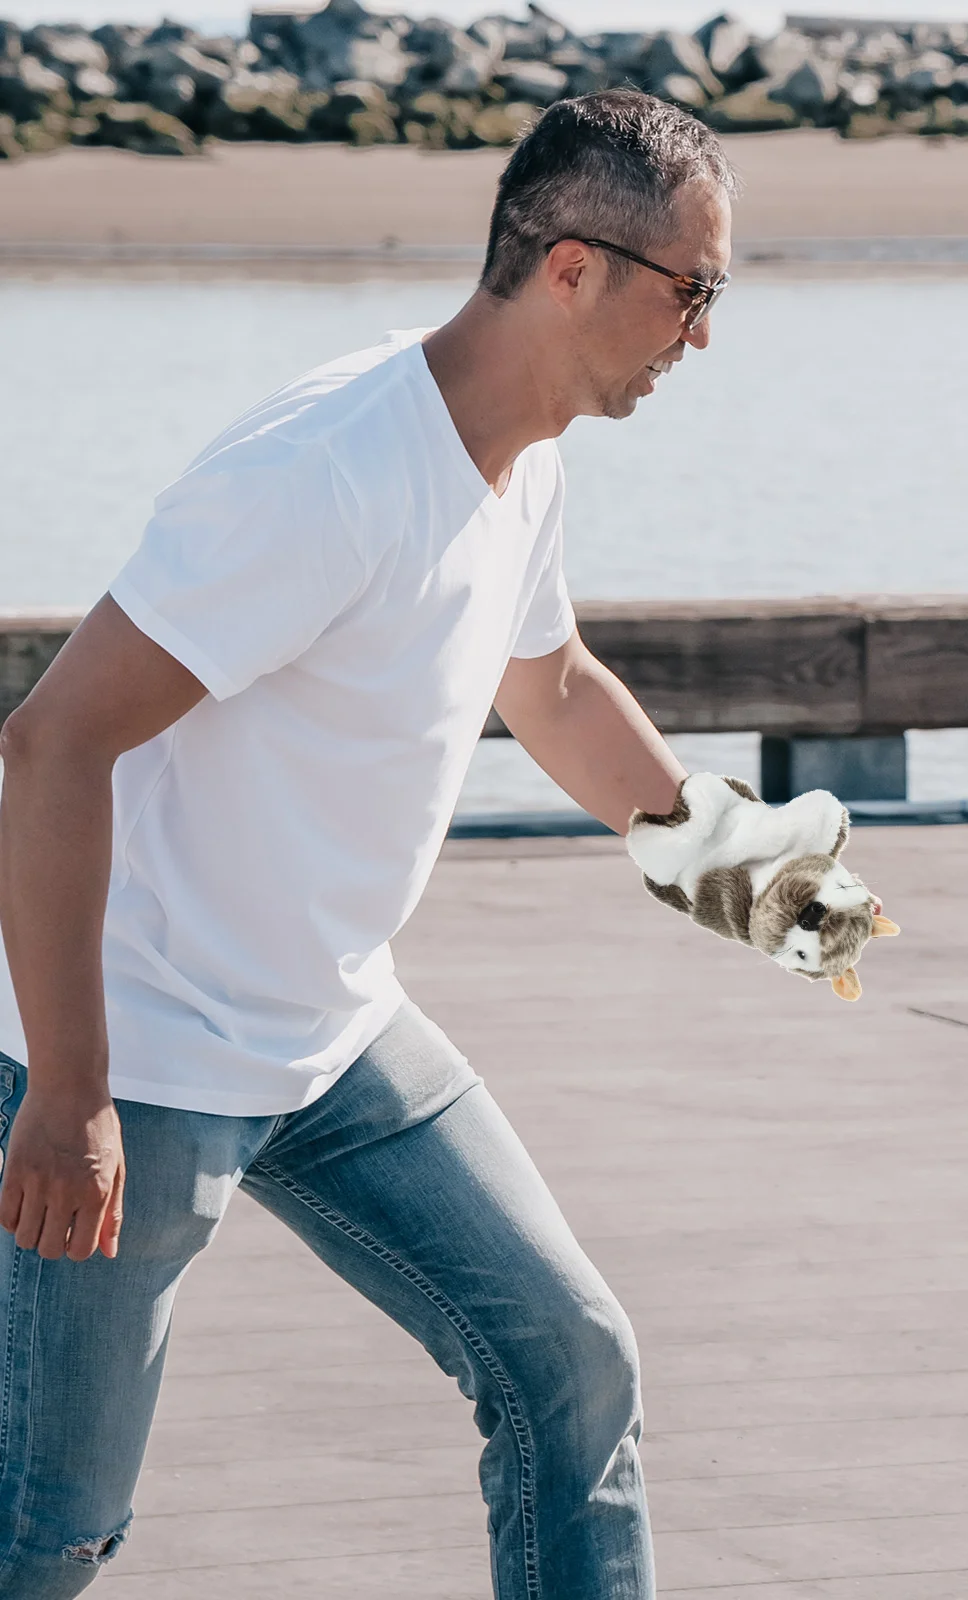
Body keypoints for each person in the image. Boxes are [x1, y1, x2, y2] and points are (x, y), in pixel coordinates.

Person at [0, 90, 735, 1599]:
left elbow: (556, 686)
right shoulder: (323, 473)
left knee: (572, 1365)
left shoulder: (523, 459)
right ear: (574, 269)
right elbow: (52, 741)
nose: (703, 338)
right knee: (48, 1526)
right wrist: (70, 1092)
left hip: (337, 1034)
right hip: (136, 1057)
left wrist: (747, 873)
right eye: (693, 292)